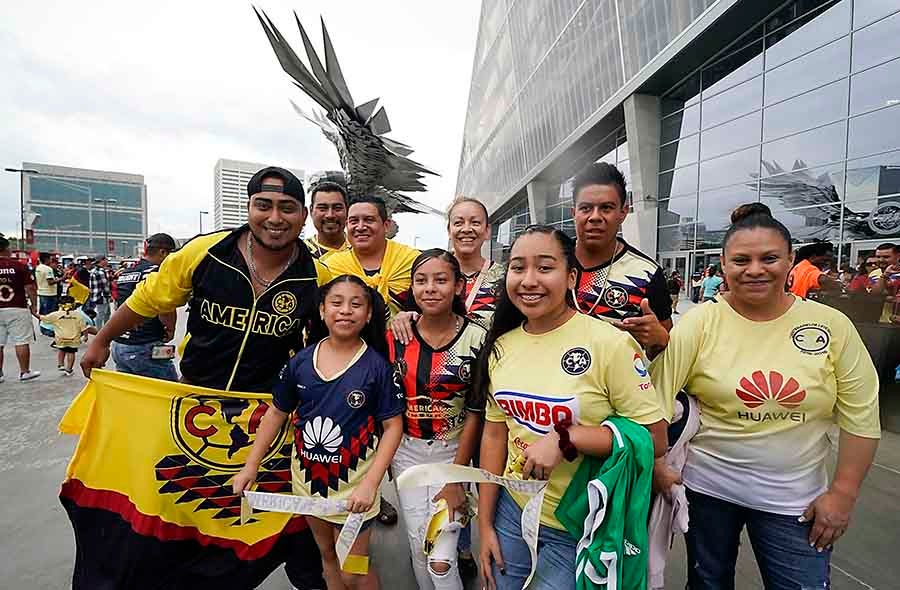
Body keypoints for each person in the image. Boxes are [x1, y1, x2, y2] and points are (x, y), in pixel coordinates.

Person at [81, 166, 328, 590]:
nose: (274, 217)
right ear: (248, 208)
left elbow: (338, 333)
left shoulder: (315, 274)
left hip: (263, 413)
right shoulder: (205, 252)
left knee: (269, 516)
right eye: (263, 205)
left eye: (287, 208)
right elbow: (149, 297)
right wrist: (102, 340)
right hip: (194, 407)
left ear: (303, 215)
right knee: (185, 506)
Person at [650, 203, 881, 589]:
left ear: (790, 260)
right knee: (708, 583)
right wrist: (658, 465)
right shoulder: (700, 324)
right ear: (723, 264)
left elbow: (862, 417)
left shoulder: (831, 326)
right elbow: (653, 401)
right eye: (741, 259)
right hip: (707, 491)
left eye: (769, 258)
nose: (755, 269)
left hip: (797, 503)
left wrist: (842, 495)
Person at [473, 225, 667, 590]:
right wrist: (484, 525)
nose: (529, 280)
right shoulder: (500, 346)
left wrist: (568, 438)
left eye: (545, 267)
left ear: (571, 277)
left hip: (579, 520)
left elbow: (655, 440)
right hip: (511, 511)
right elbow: (495, 435)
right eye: (518, 267)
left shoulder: (609, 344)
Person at [233, 275, 403, 590]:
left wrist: (371, 483)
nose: (345, 311)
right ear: (322, 310)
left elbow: (394, 427)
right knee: (326, 553)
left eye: (356, 304)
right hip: (308, 481)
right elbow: (276, 413)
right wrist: (250, 466)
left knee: (354, 569)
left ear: (368, 315)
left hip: (355, 487)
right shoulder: (299, 363)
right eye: (336, 302)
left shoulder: (377, 367)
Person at [387, 249, 487, 590]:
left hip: (452, 454)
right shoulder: (395, 335)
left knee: (441, 561)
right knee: (418, 547)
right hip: (407, 455)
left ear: (458, 286)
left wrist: (458, 478)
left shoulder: (478, 339)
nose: (430, 288)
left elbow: (476, 412)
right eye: (421, 280)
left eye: (441, 280)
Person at [569, 163, 672, 356]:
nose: (595, 217)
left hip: (616, 384)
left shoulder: (647, 273)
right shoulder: (553, 262)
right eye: (586, 208)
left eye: (606, 208)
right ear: (574, 212)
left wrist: (660, 338)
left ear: (623, 212)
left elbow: (666, 347)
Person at [326, 195, 420, 319]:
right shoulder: (330, 266)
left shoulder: (413, 261)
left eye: (369, 220)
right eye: (353, 221)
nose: (360, 227)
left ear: (386, 225)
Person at [110, 233, 179, 381]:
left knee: (133, 394)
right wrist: (171, 329)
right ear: (163, 252)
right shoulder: (157, 272)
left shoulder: (126, 273)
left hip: (120, 345)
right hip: (144, 346)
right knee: (169, 394)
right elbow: (165, 306)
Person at [0, 236, 41, 382]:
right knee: (21, 341)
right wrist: (34, 305)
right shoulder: (19, 266)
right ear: (6, 249)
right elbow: (30, 287)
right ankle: (24, 371)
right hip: (17, 307)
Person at [37, 295, 96, 376]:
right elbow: (84, 328)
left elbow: (43, 318)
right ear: (73, 305)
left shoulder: (56, 314)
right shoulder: (78, 315)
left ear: (60, 305)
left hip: (60, 338)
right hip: (73, 339)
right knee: (71, 353)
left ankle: (61, 364)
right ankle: (69, 369)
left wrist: (33, 312)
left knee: (61, 350)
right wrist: (86, 336)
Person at [305, 180, 351, 260]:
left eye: (337, 208)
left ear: (347, 211)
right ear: (311, 211)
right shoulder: (300, 252)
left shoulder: (360, 248)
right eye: (322, 208)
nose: (330, 215)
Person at [88, 255, 113, 329]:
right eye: (106, 260)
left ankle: (104, 329)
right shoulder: (101, 272)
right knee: (102, 314)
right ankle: (100, 331)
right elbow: (105, 286)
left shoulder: (93, 270)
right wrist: (109, 295)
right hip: (102, 296)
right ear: (102, 261)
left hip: (96, 295)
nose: (107, 261)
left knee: (106, 313)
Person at [35, 252, 59, 317]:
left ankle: (42, 326)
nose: (51, 261)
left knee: (42, 313)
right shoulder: (48, 269)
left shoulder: (38, 267)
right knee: (49, 315)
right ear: (46, 259)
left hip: (41, 293)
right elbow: (50, 282)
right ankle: (48, 327)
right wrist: (62, 278)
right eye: (50, 259)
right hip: (49, 294)